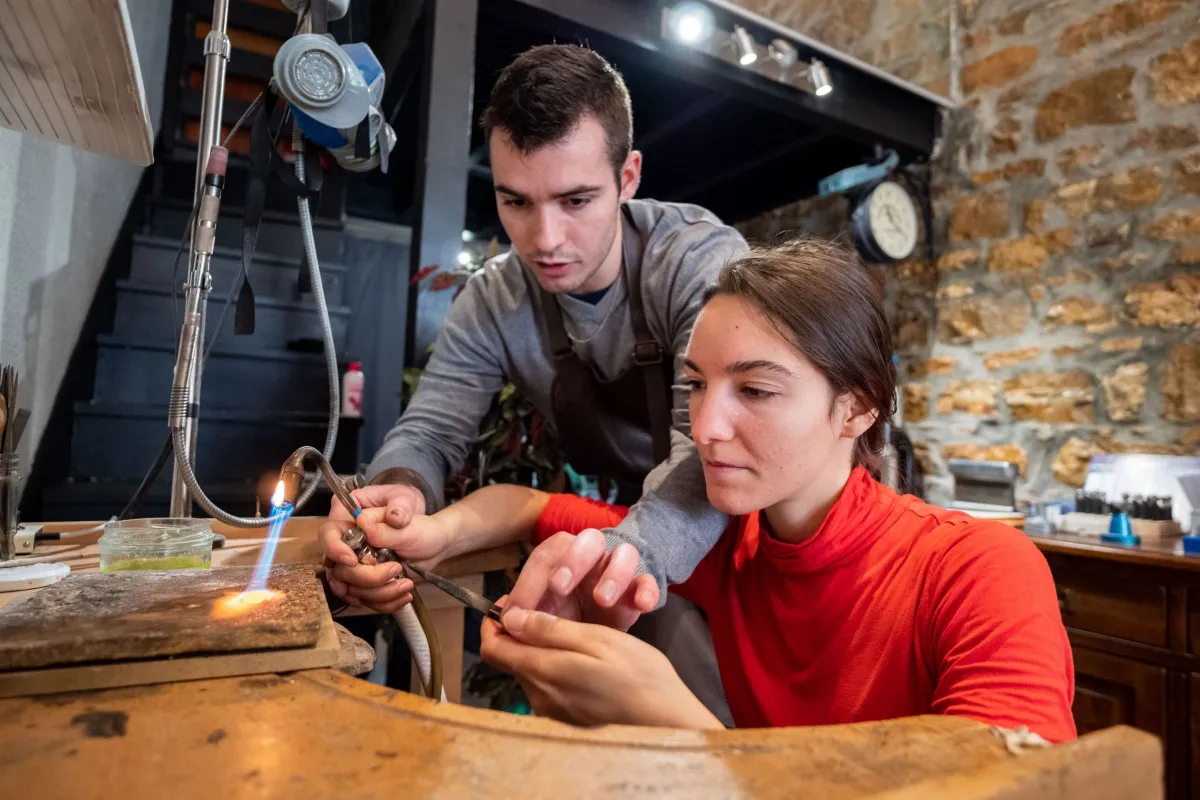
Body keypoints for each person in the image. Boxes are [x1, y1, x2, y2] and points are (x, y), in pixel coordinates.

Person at [343, 238, 1076, 740]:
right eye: (696, 384)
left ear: (857, 408)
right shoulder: (726, 543)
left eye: (755, 389)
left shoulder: (979, 570)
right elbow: (530, 507)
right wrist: (431, 534)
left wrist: (680, 729)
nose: (708, 426)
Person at [319, 43, 746, 722]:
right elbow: (430, 431)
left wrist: (620, 561)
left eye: (576, 200)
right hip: (638, 533)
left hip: (754, 540)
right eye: (515, 201)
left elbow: (710, 453)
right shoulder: (495, 300)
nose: (545, 238)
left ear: (628, 175)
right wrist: (397, 489)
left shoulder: (697, 264)